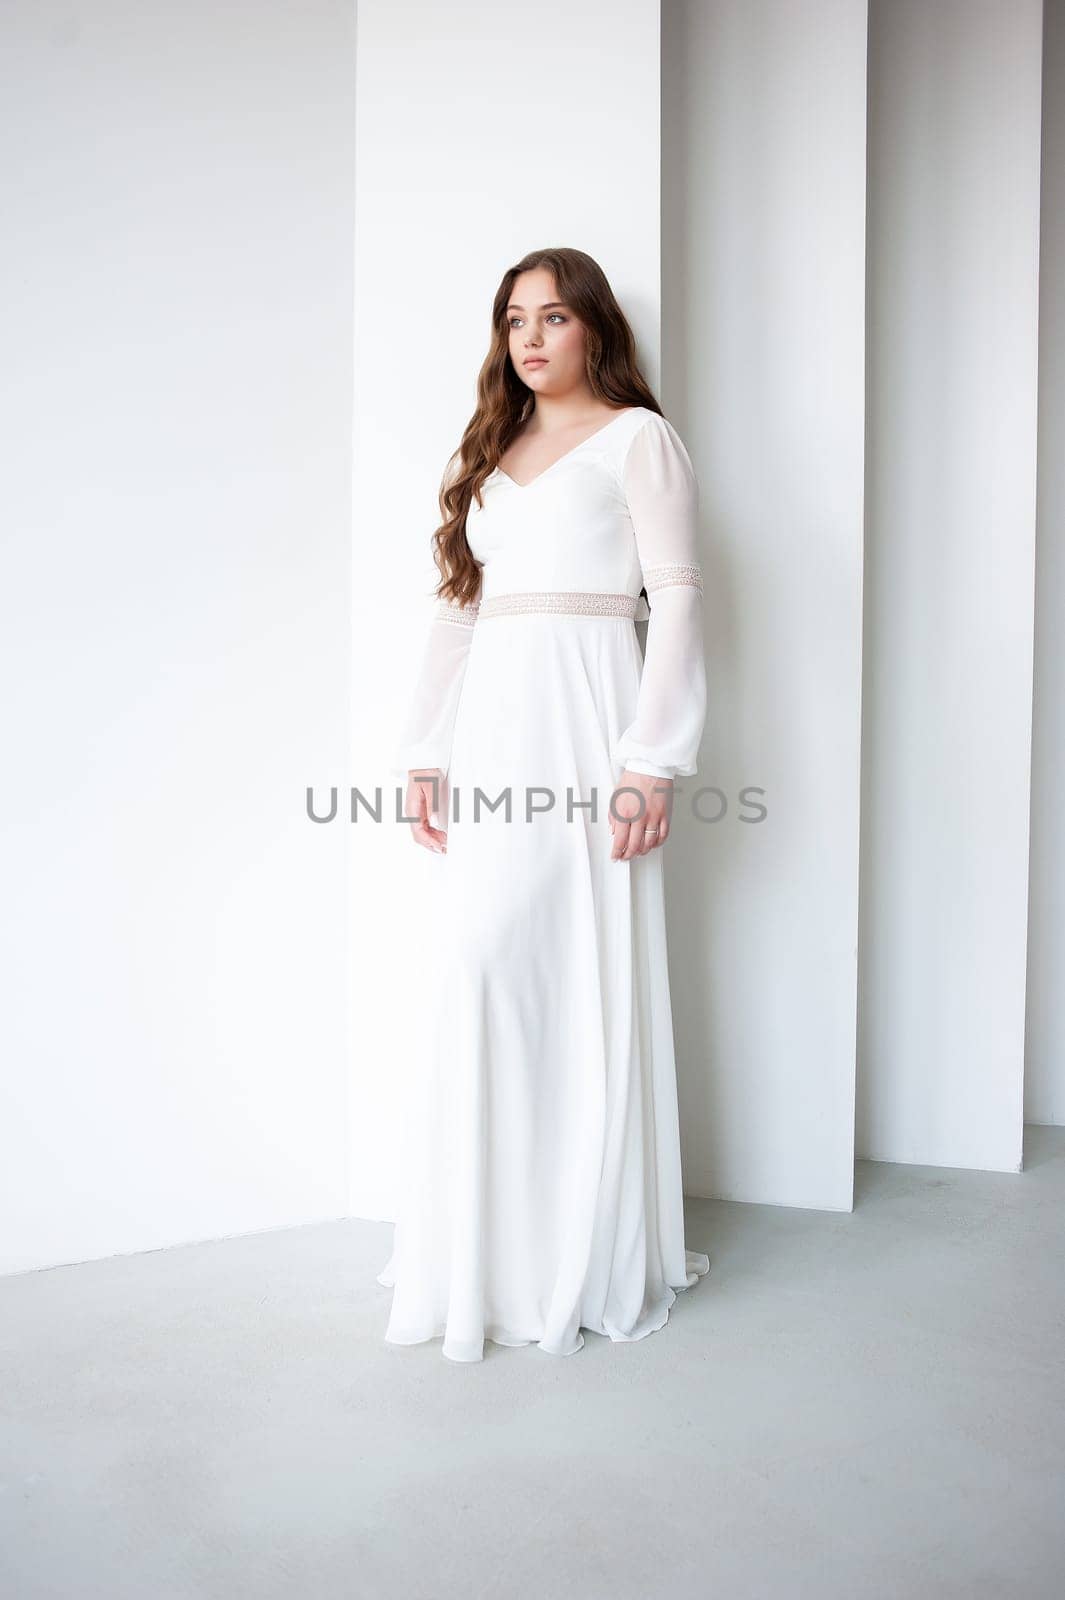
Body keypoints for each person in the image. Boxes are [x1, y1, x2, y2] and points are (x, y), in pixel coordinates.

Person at [377, 245, 710, 1362]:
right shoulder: (491, 452)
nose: (530, 336)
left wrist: (650, 760)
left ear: (593, 330)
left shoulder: (637, 439)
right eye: (515, 317)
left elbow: (675, 599)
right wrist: (425, 752)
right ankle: (491, 1247)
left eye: (554, 316)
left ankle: (576, 1244)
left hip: (591, 726)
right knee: (483, 965)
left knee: (575, 969)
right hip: (496, 737)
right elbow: (455, 616)